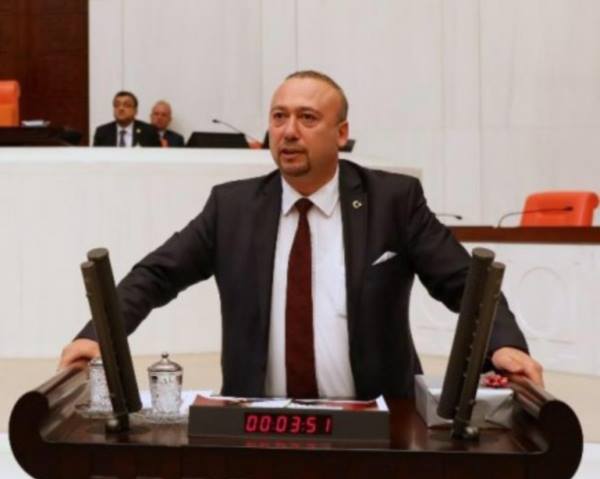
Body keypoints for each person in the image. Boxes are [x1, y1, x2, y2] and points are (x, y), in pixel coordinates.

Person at [62, 70, 543, 400]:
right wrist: (98, 336)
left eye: (307, 118)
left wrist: (504, 345)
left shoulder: (393, 201)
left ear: (341, 133)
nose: (288, 131)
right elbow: (156, 274)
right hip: (257, 428)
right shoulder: (232, 208)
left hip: (377, 430)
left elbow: (464, 282)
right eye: (278, 117)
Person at [92, 91, 161, 147]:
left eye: (126, 105)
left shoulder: (149, 132)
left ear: (135, 111)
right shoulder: (102, 132)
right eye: (117, 105)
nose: (121, 108)